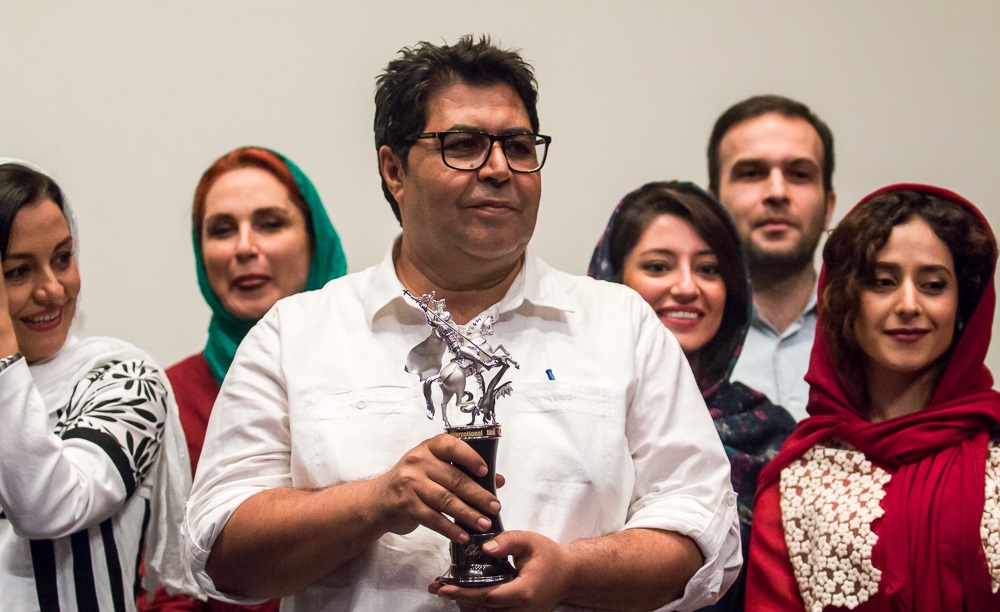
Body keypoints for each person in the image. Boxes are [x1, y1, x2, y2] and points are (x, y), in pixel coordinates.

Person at [186, 36, 741, 611]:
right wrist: (374, 503)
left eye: (518, 146)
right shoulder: (296, 334)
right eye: (464, 145)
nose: (499, 168)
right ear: (394, 170)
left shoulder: (621, 326)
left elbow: (706, 535)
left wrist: (571, 572)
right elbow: (219, 551)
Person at [745, 184, 1000, 610]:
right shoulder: (796, 479)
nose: (908, 304)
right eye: (883, 282)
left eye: (933, 285)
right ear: (847, 303)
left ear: (963, 307)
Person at [138, 147, 346, 610]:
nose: (244, 247)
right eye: (222, 230)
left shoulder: (376, 369)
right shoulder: (169, 398)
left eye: (270, 224)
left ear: (315, 239)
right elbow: (162, 580)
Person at [589, 180, 796, 611]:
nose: (687, 287)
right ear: (612, 280)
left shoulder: (770, 433)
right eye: (658, 267)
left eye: (709, 269)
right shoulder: (577, 415)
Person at [0, 159, 197, 610]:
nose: (53, 289)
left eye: (62, 258)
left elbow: (47, 505)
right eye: (18, 271)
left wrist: (3, 354)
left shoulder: (124, 379)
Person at [707, 95, 836, 421]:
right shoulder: (673, 337)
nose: (777, 192)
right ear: (711, 206)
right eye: (752, 173)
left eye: (799, 174)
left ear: (829, 207)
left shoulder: (877, 334)